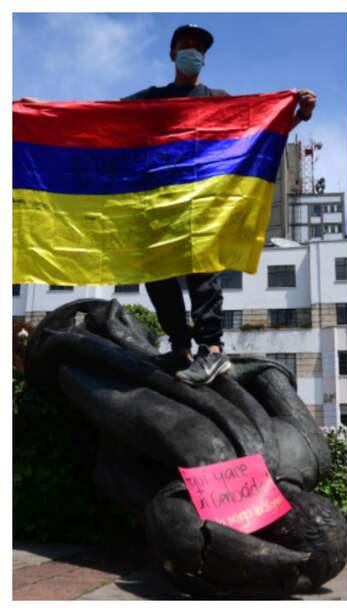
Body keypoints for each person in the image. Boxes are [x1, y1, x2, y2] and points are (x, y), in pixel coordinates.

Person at [122, 24, 317, 386]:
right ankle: (180, 348)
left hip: (204, 205)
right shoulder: (150, 100)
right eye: (185, 46)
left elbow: (261, 135)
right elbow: (103, 121)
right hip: (160, 208)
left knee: (203, 275)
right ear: (172, 53)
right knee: (158, 276)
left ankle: (211, 350)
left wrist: (297, 114)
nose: (192, 52)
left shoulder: (220, 101)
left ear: (204, 58)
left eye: (198, 48)